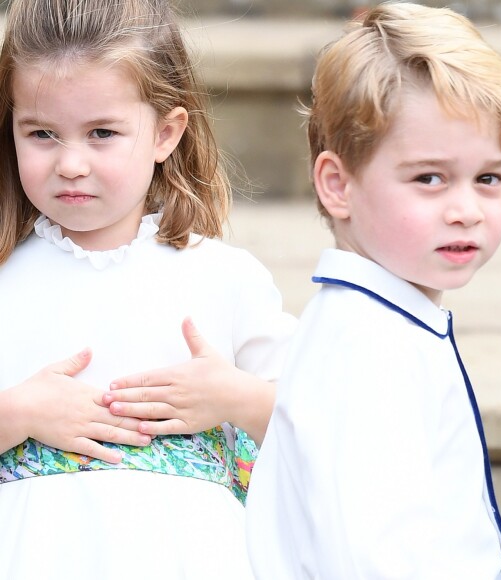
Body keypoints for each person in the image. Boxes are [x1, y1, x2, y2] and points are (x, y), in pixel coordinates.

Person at [0, 1, 296, 578]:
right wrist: (16, 413)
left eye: (102, 133)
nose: (71, 163)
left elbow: (322, 427)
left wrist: (234, 398)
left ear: (165, 132)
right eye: (41, 133)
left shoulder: (225, 278)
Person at [246, 2, 501, 578]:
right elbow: (372, 558)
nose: (466, 211)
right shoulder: (369, 351)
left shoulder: (381, 325)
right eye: (430, 178)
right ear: (337, 185)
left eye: (489, 178)